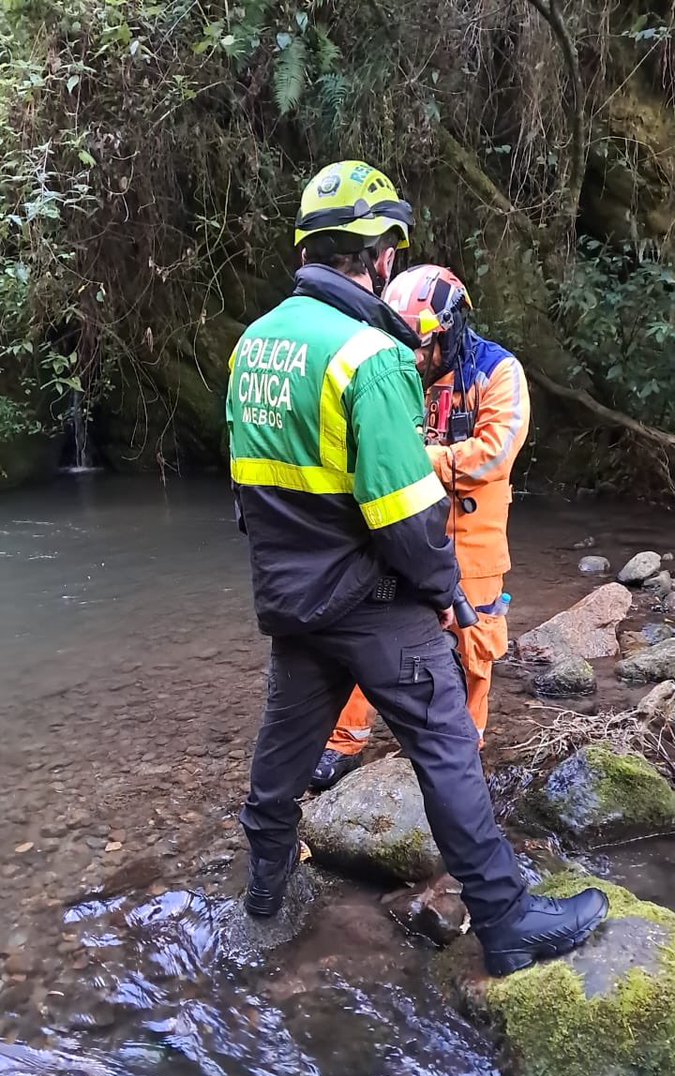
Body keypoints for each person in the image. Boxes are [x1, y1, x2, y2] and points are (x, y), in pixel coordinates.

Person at [226, 159, 608, 976]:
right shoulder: (370, 356)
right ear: (380, 255)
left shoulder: (253, 346)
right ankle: (506, 920)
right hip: (370, 599)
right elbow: (403, 513)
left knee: (281, 757)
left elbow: (246, 491)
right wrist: (442, 594)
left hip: (290, 597)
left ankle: (263, 894)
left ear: (306, 247)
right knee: (446, 745)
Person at [312, 264, 529, 789]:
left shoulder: (499, 373)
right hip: (403, 528)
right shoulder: (391, 371)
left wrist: (413, 461)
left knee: (474, 647)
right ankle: (343, 741)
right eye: (403, 341)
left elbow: (492, 456)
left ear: (449, 332)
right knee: (370, 629)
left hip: (474, 538)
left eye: (421, 345)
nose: (411, 355)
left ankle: (465, 749)